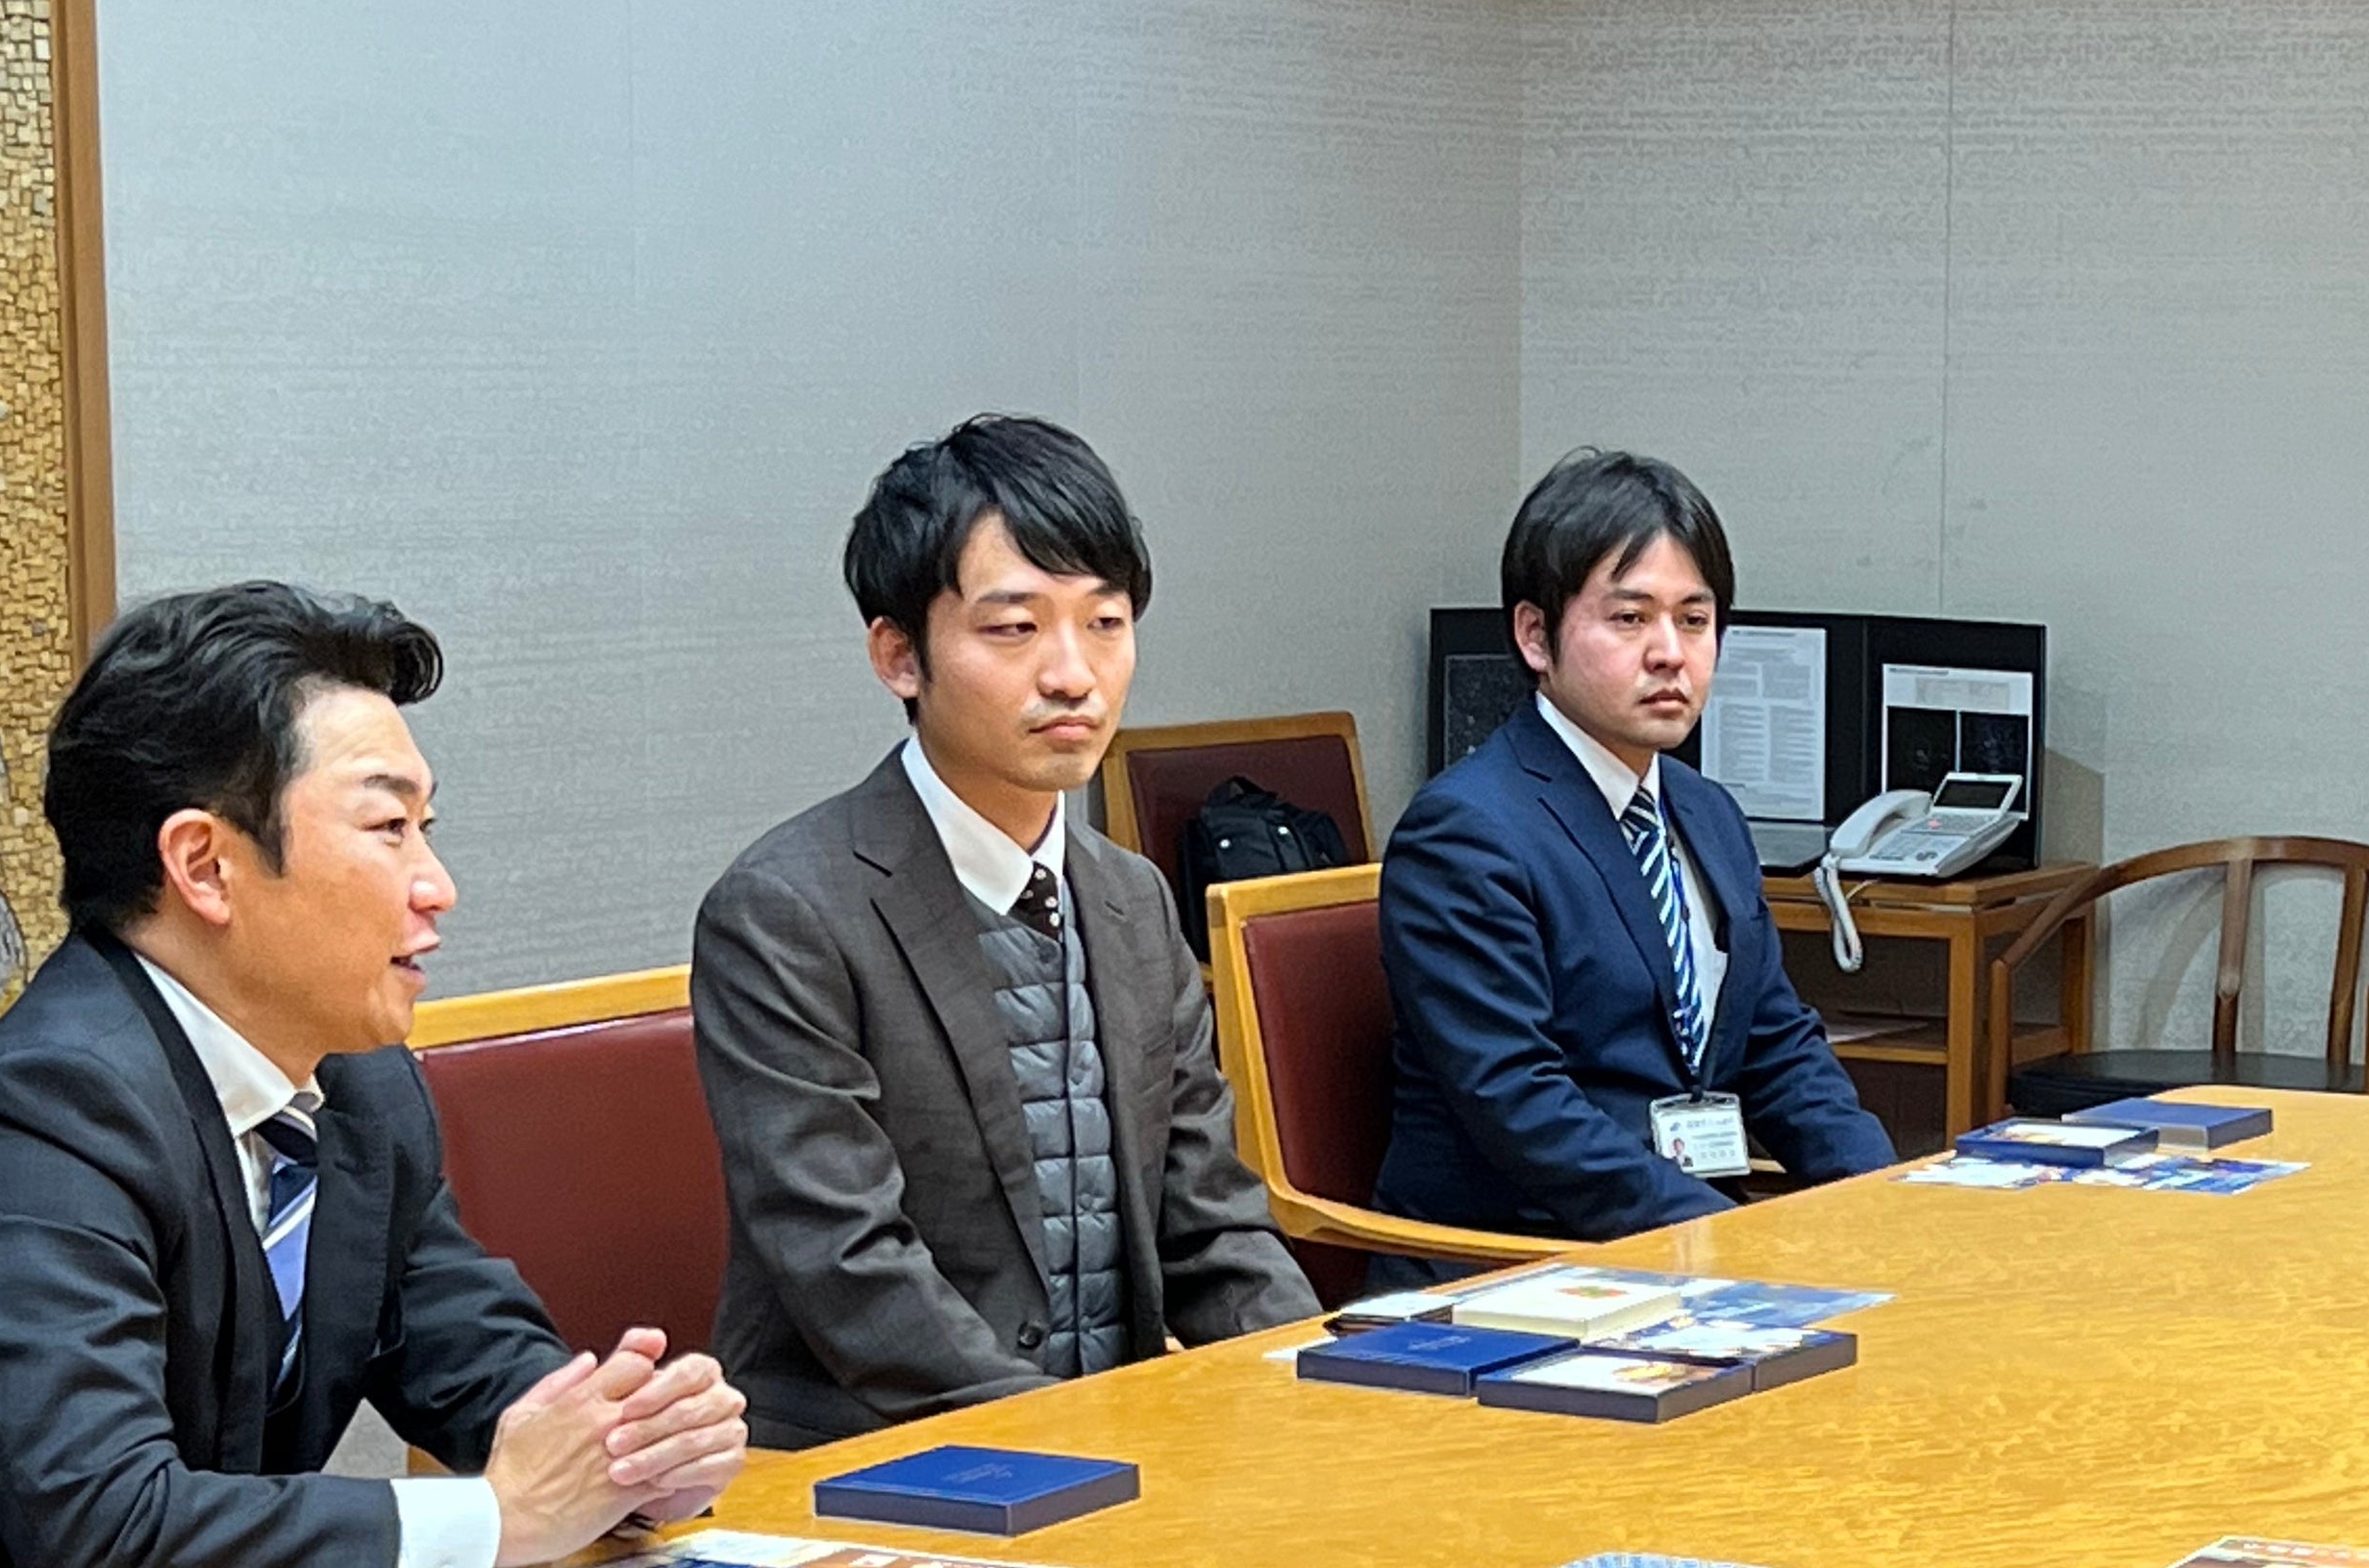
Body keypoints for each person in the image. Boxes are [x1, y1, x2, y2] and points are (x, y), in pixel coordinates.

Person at [0, 584, 747, 1568]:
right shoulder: (33, 1123)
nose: (436, 886)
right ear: (204, 866)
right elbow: (102, 1530)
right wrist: (494, 1520)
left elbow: (472, 1357)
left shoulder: (359, 1087)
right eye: (387, 828)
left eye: (425, 831)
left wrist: (628, 1450)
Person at [691, 416, 1313, 1448]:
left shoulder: (1132, 898)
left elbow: (1210, 1221)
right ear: (899, 655)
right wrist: (1074, 1441)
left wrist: (1319, 1395)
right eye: (1014, 629)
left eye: (1105, 623)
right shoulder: (786, 912)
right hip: (877, 1462)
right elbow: (849, 1265)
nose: (1073, 674)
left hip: (1120, 1451)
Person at [1373, 449, 1896, 1252]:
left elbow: (1777, 1046)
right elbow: (1523, 1105)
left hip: (1681, 1246)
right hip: (1521, 1263)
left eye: (1694, 619)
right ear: (1535, 635)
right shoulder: (1466, 833)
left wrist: (1885, 1202)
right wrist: (1731, 1245)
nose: (1671, 653)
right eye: (1629, 618)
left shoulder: (1707, 811)